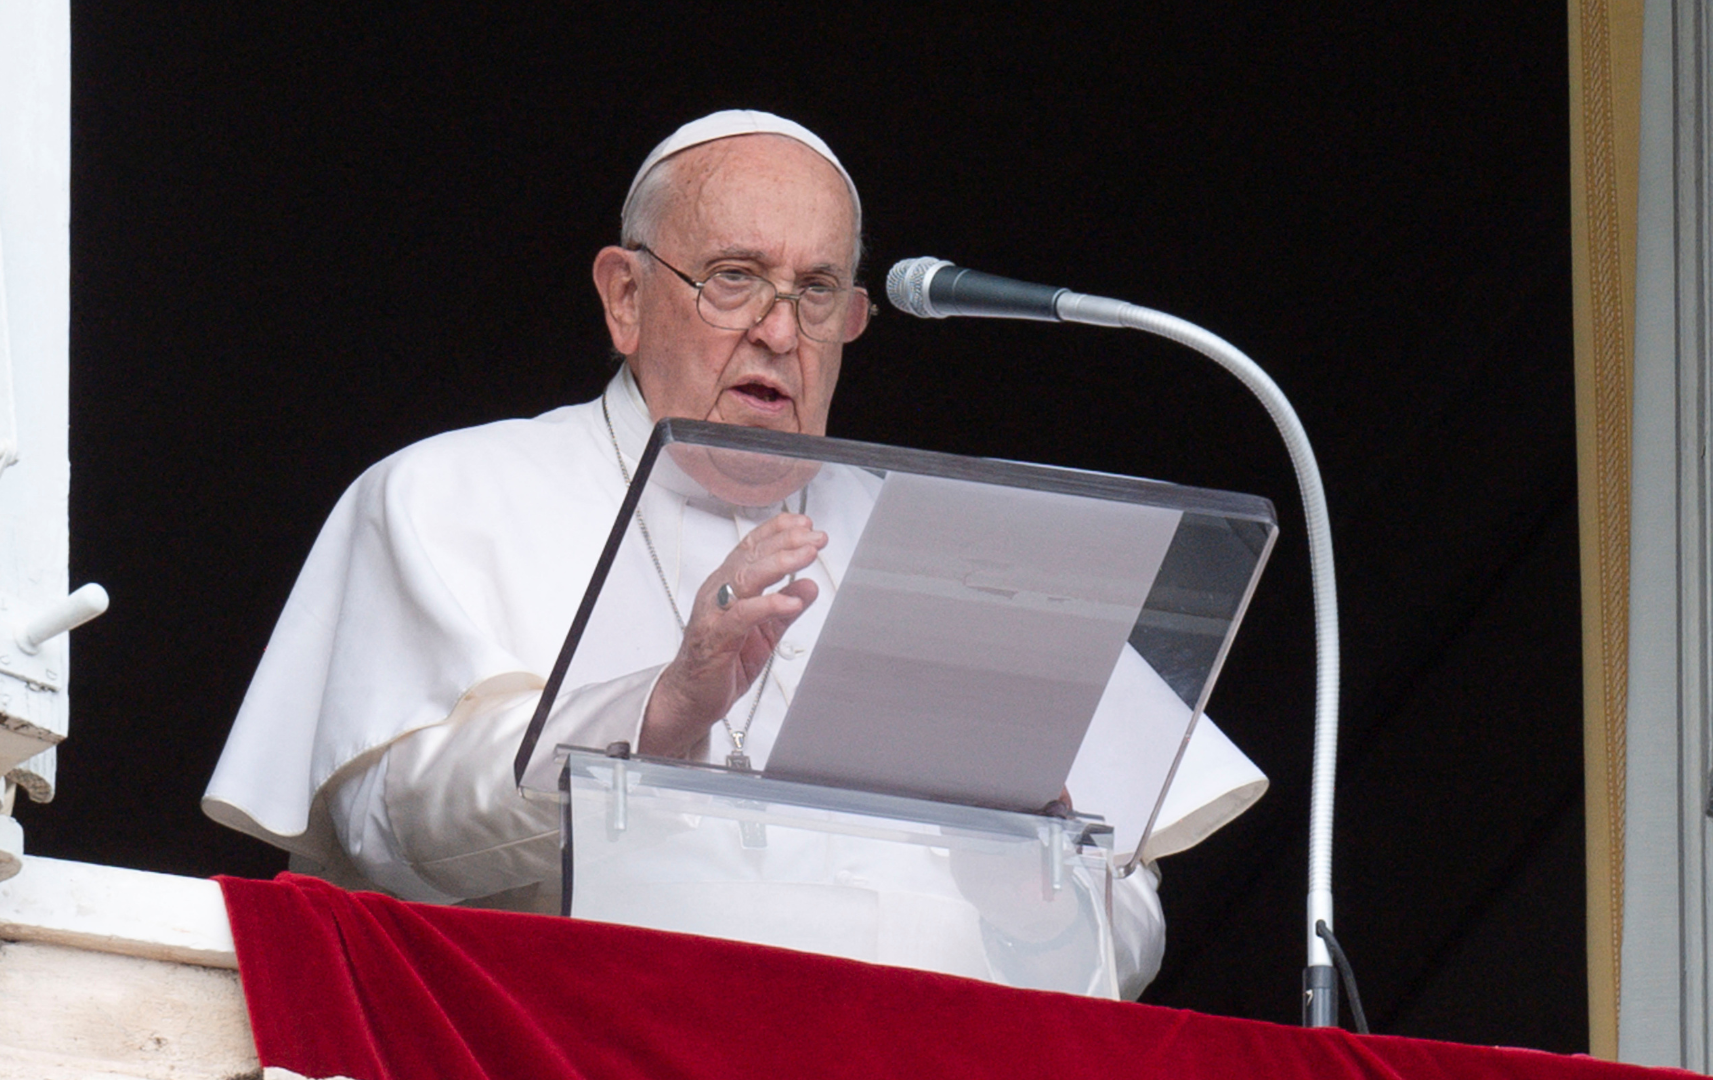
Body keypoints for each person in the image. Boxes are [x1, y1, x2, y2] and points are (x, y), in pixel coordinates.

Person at [203, 111, 1266, 1000]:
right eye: (733, 277)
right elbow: (388, 829)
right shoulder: (448, 494)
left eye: (815, 292)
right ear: (625, 297)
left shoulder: (968, 556)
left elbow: (1126, 923)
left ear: (854, 321)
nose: (777, 329)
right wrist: (653, 720)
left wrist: (1037, 904)